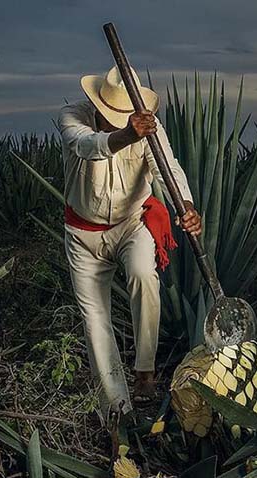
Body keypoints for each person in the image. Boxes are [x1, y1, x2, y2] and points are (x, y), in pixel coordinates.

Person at [57, 66, 201, 426]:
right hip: (83, 235)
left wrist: (186, 205)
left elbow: (167, 166)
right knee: (95, 320)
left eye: (122, 119)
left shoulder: (150, 127)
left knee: (143, 275)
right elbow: (88, 147)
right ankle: (117, 409)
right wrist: (125, 134)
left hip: (132, 223)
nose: (114, 122)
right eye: (110, 117)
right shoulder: (72, 117)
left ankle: (145, 372)